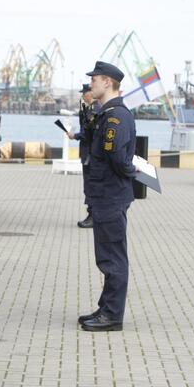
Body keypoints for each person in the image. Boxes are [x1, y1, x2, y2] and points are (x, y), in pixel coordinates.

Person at [78, 61, 137, 332]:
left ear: (108, 83)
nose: (91, 84)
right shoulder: (107, 113)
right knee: (107, 256)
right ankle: (106, 308)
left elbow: (117, 156)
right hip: (106, 195)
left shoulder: (116, 116)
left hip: (110, 195)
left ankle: (112, 315)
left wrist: (130, 170)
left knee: (112, 257)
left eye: (96, 79)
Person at [67, 83, 96, 228]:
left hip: (91, 154)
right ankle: (92, 214)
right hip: (86, 153)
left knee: (91, 186)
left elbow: (88, 134)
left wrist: (75, 135)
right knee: (88, 186)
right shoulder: (87, 109)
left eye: (85, 93)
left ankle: (93, 216)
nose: (83, 96)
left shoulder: (94, 110)